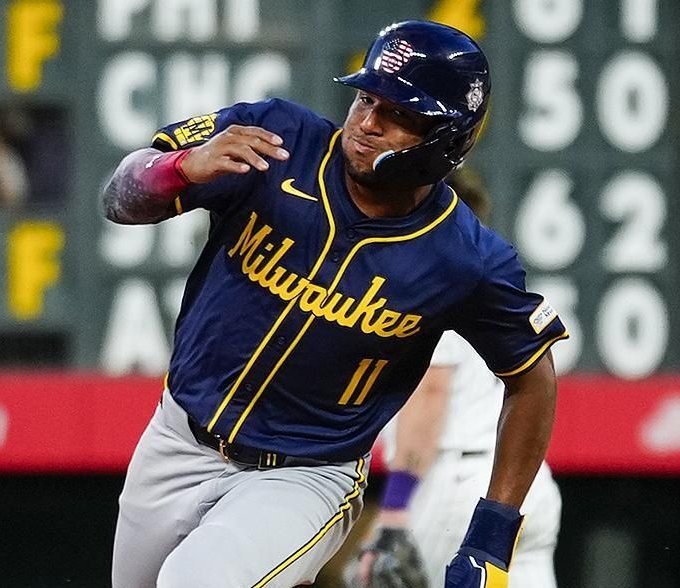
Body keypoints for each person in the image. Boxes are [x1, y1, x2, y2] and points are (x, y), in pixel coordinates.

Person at [102, 20, 568, 588]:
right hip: (176, 439)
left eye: (398, 113)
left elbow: (532, 376)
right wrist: (179, 169)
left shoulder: (464, 258)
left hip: (304, 476)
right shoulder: (276, 139)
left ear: (447, 138)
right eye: (366, 99)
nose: (367, 123)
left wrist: (491, 537)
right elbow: (119, 197)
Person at [347, 168, 563, 588]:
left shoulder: (430, 274)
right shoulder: (491, 279)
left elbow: (429, 395)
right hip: (524, 485)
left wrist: (393, 512)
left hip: (455, 485)